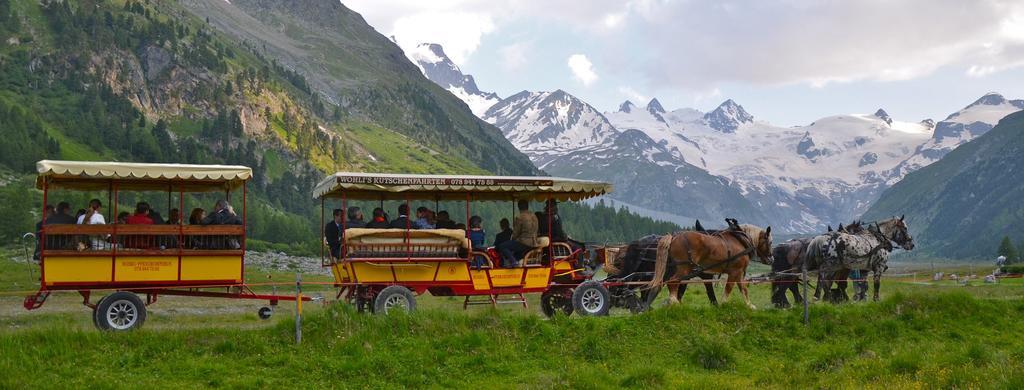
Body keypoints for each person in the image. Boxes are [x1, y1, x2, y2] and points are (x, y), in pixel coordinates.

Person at [497, 200, 538, 268]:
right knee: (515, 250)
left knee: (502, 246)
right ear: (527, 207)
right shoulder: (534, 216)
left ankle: (513, 262)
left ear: (519, 207)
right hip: (534, 243)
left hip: (524, 243)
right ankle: (515, 260)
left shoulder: (520, 217)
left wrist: (512, 240)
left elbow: (515, 234)